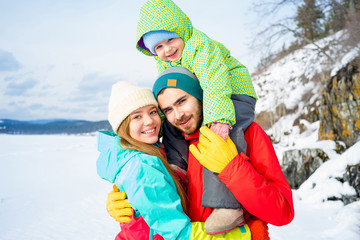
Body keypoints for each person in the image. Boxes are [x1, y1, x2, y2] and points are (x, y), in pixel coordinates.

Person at [107, 67, 295, 240]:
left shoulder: (247, 133)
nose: (178, 115)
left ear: (199, 95)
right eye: (167, 110)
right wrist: (129, 205)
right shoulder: (170, 146)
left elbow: (282, 212)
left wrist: (232, 168)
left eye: (182, 101)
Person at [135, 0, 258, 233]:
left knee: (221, 139)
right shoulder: (165, 63)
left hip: (233, 93)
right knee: (174, 127)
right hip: (205, 98)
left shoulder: (200, 46)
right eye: (158, 47)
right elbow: (169, 97)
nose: (166, 50)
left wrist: (219, 118)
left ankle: (227, 204)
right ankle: (177, 167)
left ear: (182, 30)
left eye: (170, 39)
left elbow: (215, 82)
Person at [96, 81, 251, 239]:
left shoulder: (151, 150)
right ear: (123, 126)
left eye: (152, 112)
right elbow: (178, 234)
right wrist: (241, 235)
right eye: (137, 116)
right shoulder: (141, 167)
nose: (149, 121)